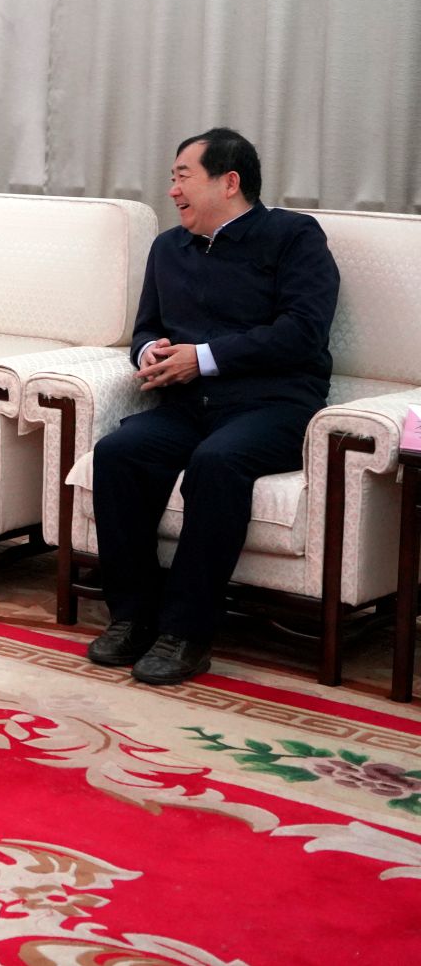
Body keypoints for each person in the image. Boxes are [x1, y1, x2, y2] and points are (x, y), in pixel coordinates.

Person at [85, 128, 340, 686]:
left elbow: (303, 331)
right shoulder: (167, 248)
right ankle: (133, 617)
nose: (172, 190)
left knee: (218, 462)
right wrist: (149, 352)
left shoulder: (293, 236)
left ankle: (187, 633)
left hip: (273, 404)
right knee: (118, 453)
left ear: (229, 182)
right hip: (187, 406)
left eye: (183, 177)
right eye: (172, 178)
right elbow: (147, 327)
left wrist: (202, 358)